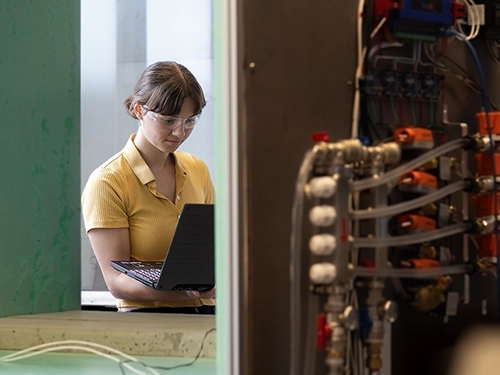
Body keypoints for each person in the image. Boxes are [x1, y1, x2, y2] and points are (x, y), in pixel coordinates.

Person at [81, 61, 216, 314]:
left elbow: (216, 250)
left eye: (190, 121)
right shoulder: (108, 182)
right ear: (139, 110)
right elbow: (117, 282)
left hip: (209, 320)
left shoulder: (198, 170)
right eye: (168, 120)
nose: (180, 131)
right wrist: (185, 289)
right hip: (148, 321)